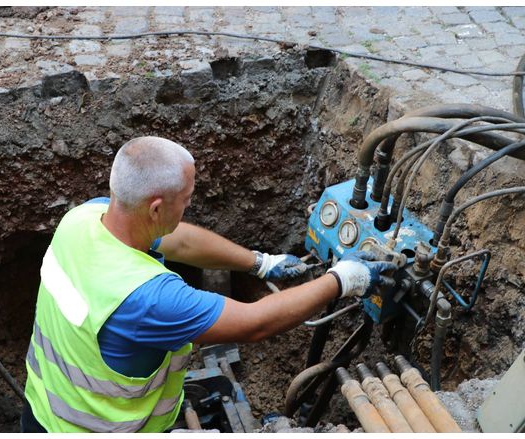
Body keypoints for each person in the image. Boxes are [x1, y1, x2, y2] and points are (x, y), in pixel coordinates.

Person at [21, 136, 397, 433]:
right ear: (155, 208)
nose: (188, 206)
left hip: (42, 411)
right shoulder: (149, 298)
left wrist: (260, 264)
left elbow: (180, 240)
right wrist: (344, 279)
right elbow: (255, 322)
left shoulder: (84, 218)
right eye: (185, 200)